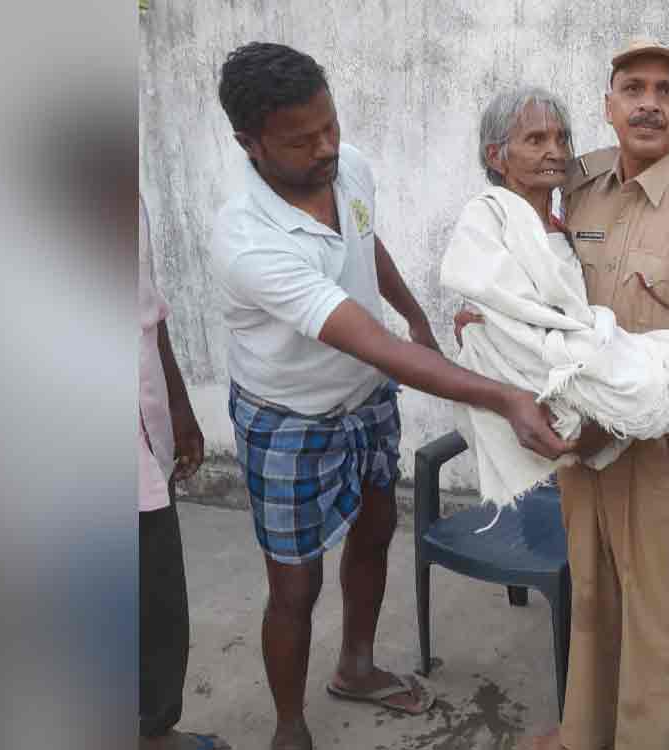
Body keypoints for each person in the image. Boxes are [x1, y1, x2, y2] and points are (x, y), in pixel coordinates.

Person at [210, 42, 573, 750]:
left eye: (331, 125)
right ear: (248, 144)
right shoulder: (249, 242)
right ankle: (289, 727)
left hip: (366, 399)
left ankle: (357, 665)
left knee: (376, 532)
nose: (326, 147)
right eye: (301, 139)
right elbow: (368, 342)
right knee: (295, 587)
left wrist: (413, 312)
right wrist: (503, 396)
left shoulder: (348, 166)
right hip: (288, 417)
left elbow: (365, 244)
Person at [443, 86, 669, 638]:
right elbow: (491, 290)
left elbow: (552, 296)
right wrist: (492, 319)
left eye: (560, 138)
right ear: (497, 156)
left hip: (573, 352)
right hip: (544, 367)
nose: (554, 150)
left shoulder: (566, 216)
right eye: (535, 139)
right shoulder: (494, 211)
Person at [509, 38, 669, 750]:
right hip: (576, 443)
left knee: (652, 617)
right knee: (589, 595)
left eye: (665, 91)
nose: (648, 103)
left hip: (657, 456)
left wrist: (612, 425)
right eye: (633, 88)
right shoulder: (579, 186)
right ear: (609, 103)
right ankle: (582, 734)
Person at [139, 194, 230, 750]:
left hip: (142, 433)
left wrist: (177, 400)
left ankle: (152, 731)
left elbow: (147, 307)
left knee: (157, 596)